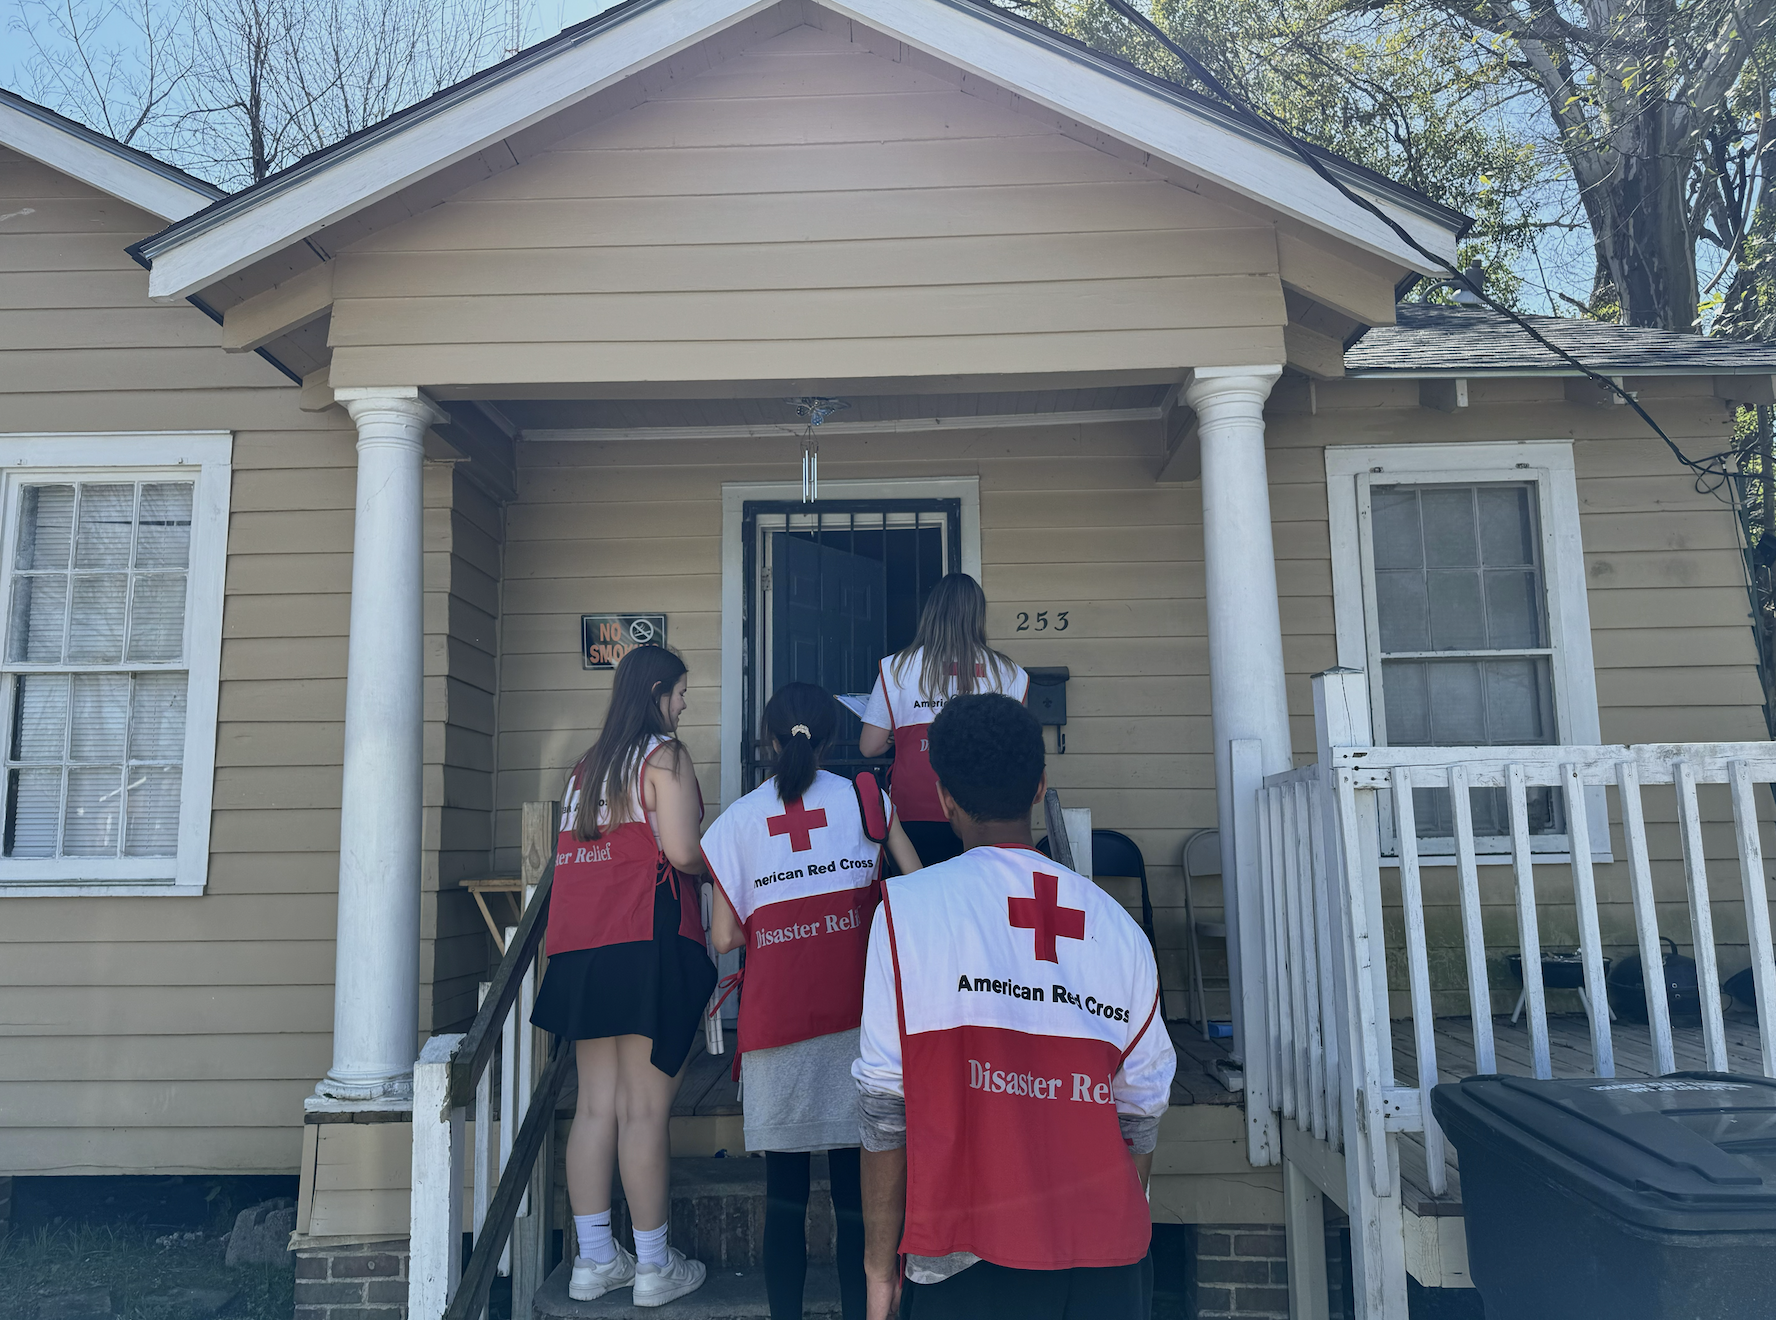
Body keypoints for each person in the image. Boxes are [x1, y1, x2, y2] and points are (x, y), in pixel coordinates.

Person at [852, 694, 1176, 1320]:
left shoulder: (904, 915)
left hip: (960, 1264)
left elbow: (884, 1117)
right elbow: (1140, 1115)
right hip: (1106, 1265)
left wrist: (878, 1271)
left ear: (943, 795)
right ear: (1040, 788)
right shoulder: (1117, 927)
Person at [701, 682, 924, 1320]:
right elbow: (915, 888)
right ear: (830, 738)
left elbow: (723, 937)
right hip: (859, 1023)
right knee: (861, 1198)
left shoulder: (737, 822)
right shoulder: (866, 799)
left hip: (776, 1029)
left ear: (769, 741)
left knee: (784, 1197)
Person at [529, 644, 714, 1308]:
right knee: (644, 1109)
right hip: (647, 943)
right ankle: (656, 1267)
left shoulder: (588, 766)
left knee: (596, 1106)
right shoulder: (664, 756)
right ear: (659, 691)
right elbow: (684, 853)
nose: (686, 703)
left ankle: (594, 1260)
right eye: (682, 691)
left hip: (582, 949)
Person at [859, 573, 1028, 866]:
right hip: (986, 809)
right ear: (978, 614)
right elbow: (1018, 748)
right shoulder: (1010, 672)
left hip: (913, 808)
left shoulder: (896, 668)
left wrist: (895, 735)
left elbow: (868, 747)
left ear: (932, 612)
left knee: (919, 897)